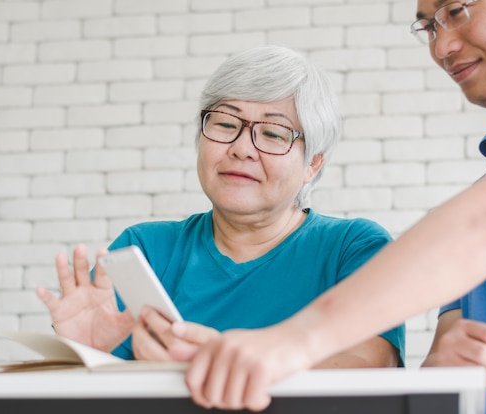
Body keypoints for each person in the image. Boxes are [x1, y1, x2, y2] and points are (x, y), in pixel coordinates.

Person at [180, 1, 486, 413]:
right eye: (428, 26)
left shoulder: (357, 243)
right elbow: (439, 376)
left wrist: (290, 342)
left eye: (457, 9)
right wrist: (446, 372)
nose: (442, 46)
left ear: (312, 163)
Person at [35, 45, 404, 372]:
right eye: (226, 123)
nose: (242, 148)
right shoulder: (145, 249)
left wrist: (210, 359)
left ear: (313, 164)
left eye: (274, 133)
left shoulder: (353, 247)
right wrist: (83, 355)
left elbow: (371, 364)